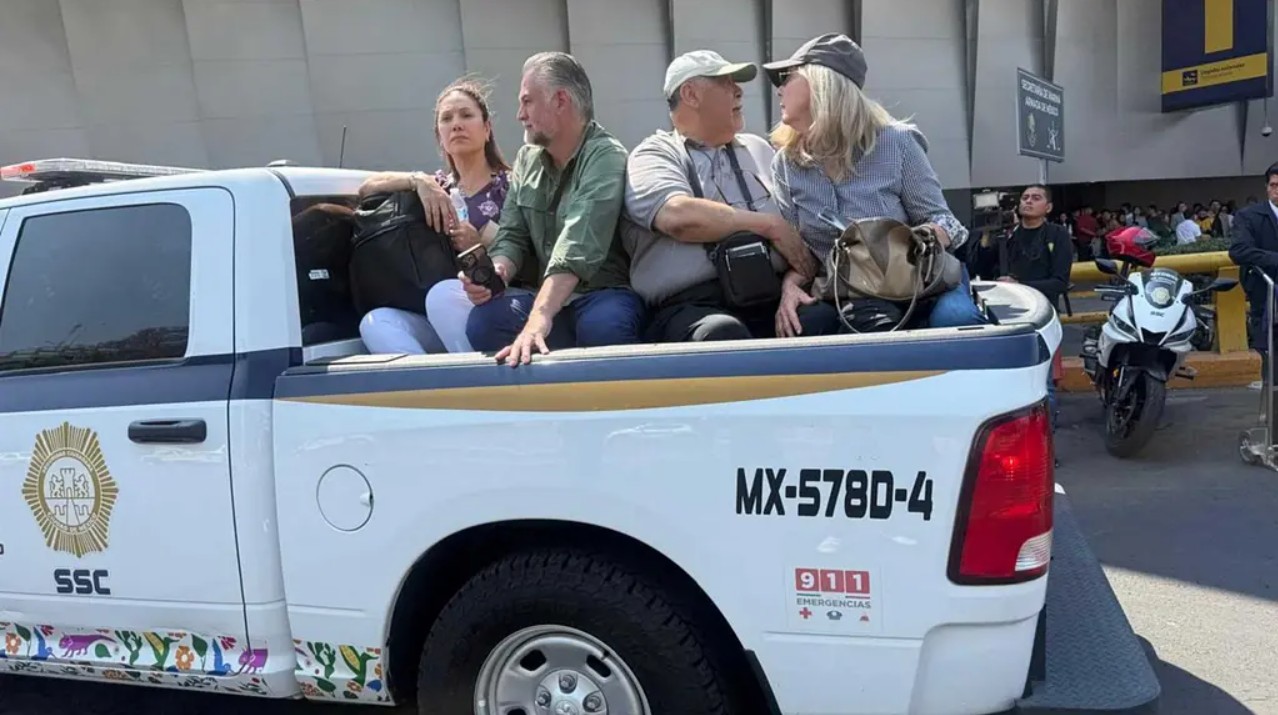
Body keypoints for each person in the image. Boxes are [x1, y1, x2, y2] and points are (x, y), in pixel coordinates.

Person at [763, 33, 987, 335]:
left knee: (956, 323)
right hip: (850, 292)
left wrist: (909, 244)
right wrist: (789, 288)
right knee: (802, 325)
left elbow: (947, 222)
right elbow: (800, 254)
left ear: (821, 84)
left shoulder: (897, 143)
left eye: (787, 77)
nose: (779, 88)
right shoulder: (786, 164)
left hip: (920, 281)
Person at [621, 50, 817, 342]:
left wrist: (792, 283)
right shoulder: (654, 154)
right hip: (695, 307)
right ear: (690, 94)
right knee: (722, 334)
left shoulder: (760, 149)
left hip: (774, 295)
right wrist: (768, 225)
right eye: (726, 83)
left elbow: (804, 229)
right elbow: (678, 216)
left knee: (820, 321)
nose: (739, 91)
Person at [463, 51, 644, 366]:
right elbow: (512, 235)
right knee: (484, 322)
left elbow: (577, 245)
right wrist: (498, 272)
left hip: (601, 293)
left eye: (527, 101)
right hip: (545, 299)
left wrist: (540, 317)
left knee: (604, 327)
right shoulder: (527, 158)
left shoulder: (605, 156)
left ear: (560, 100)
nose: (520, 114)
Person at [355, 78, 512, 354]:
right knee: (376, 321)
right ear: (439, 136)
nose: (456, 124)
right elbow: (367, 188)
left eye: (466, 115)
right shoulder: (437, 187)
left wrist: (480, 243)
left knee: (442, 298)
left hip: (496, 305)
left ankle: (481, 388)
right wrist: (418, 180)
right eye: (447, 119)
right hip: (439, 311)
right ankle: (440, 394)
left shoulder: (511, 186)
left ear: (487, 129)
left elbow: (530, 250)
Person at [1227, 162, 1278, 357]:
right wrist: (1274, 259)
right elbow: (1238, 251)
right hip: (1267, 297)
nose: (1277, 190)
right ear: (1267, 188)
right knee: (1272, 363)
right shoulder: (1249, 216)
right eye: (1273, 185)